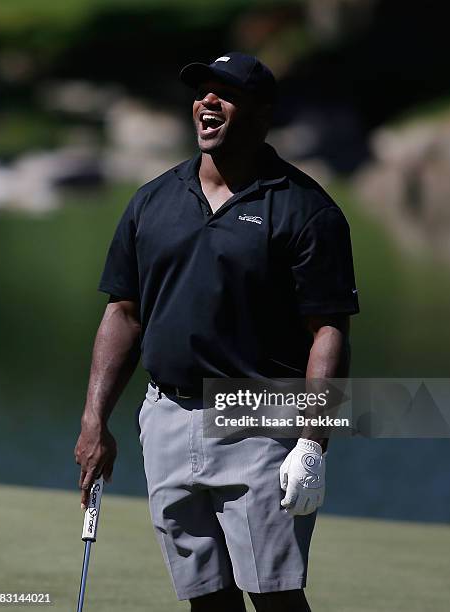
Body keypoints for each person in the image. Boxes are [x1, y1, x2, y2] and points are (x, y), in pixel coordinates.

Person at [75, 52, 359, 612]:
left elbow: (328, 329)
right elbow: (124, 313)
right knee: (206, 598)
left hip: (259, 418)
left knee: (274, 596)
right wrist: (94, 421)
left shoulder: (305, 210)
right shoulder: (152, 201)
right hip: (166, 418)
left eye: (224, 93)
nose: (207, 102)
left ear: (260, 114)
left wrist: (312, 443)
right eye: (202, 91)